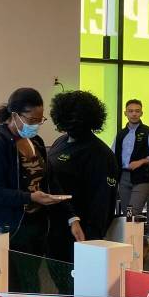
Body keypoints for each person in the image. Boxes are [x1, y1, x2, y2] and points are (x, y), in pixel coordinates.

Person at [0, 88, 75, 293]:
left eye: (40, 120)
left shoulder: (36, 142)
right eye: (31, 119)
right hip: (10, 227)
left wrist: (71, 216)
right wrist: (29, 197)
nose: (36, 125)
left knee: (30, 279)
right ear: (14, 115)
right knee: (16, 284)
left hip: (37, 226)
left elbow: (49, 179)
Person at [46, 90, 117, 266]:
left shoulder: (99, 153)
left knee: (74, 283)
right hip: (54, 224)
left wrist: (91, 241)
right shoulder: (60, 142)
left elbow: (102, 203)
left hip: (80, 231)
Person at [113, 99, 149, 218]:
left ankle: (137, 235)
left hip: (142, 177)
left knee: (133, 212)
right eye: (130, 111)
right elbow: (112, 153)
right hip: (124, 177)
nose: (134, 114)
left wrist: (142, 161)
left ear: (141, 113)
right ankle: (135, 236)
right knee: (127, 214)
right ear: (125, 113)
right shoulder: (121, 134)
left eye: (137, 111)